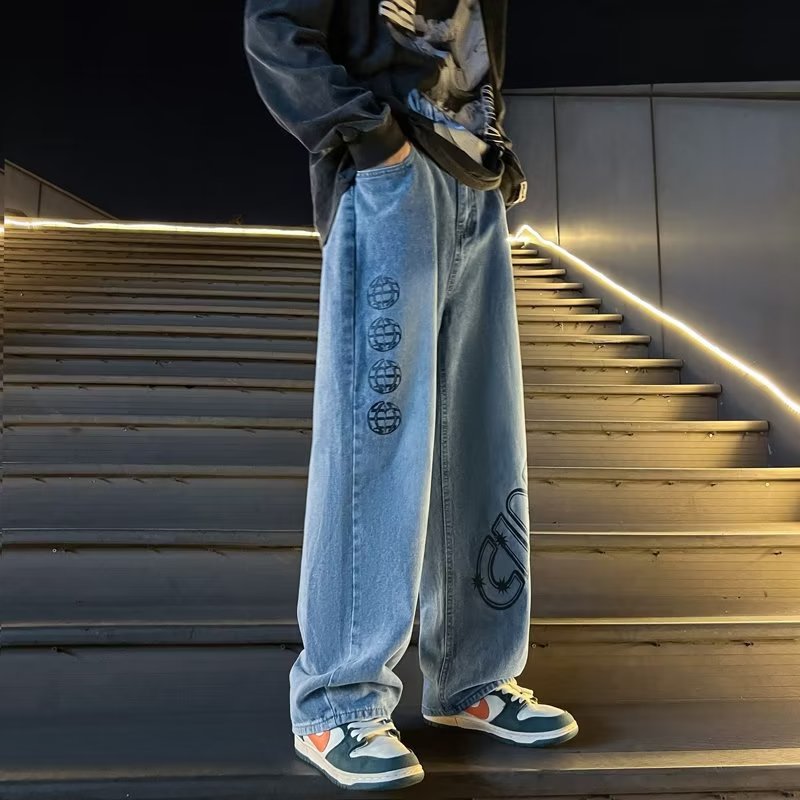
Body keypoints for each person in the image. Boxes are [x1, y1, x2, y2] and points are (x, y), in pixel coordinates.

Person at [244, 0, 578, 790]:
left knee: (484, 439)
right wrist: (369, 137)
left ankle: (472, 678)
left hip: (472, 178)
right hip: (389, 175)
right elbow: (274, 30)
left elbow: (469, 52)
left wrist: (495, 150)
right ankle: (339, 701)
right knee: (379, 438)